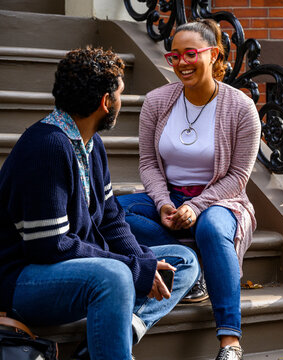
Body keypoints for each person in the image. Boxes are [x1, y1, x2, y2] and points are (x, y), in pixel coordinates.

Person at [0, 47, 200, 360]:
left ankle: (103, 342)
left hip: (78, 265)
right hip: (23, 280)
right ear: (105, 103)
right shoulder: (46, 148)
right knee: (115, 276)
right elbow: (50, 246)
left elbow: (111, 218)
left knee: (183, 260)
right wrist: (133, 268)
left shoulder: (91, 144)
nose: (121, 102)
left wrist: (139, 261)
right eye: (120, 94)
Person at [117, 19, 261, 360]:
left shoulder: (241, 108)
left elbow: (238, 177)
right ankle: (193, 261)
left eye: (191, 53)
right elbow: (149, 165)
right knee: (114, 210)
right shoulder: (156, 101)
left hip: (222, 199)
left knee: (212, 227)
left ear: (214, 55)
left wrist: (197, 207)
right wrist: (164, 202)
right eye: (174, 56)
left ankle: (230, 340)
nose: (181, 62)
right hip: (169, 197)